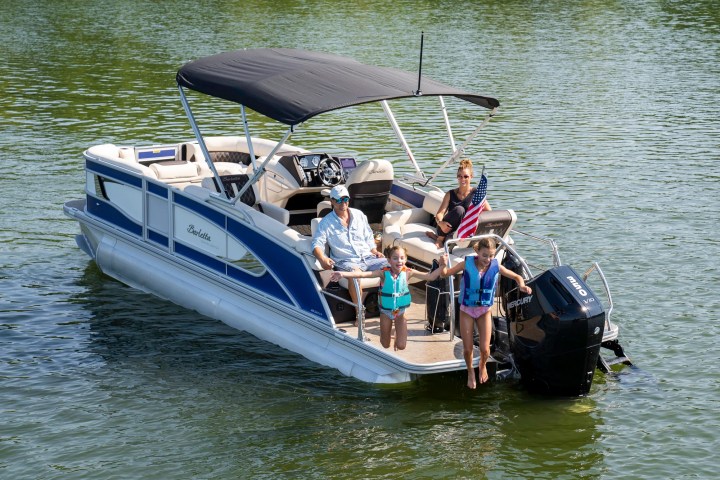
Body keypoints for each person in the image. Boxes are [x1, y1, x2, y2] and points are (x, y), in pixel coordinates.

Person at [441, 237, 532, 389]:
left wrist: (522, 285)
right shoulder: (467, 263)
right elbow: (445, 273)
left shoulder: (496, 266)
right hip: (467, 310)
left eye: (491, 256)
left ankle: (482, 365)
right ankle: (470, 371)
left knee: (485, 349)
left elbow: (516, 276)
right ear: (477, 252)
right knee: (468, 348)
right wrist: (443, 264)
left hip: (484, 311)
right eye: (485, 255)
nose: (488, 259)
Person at [331, 246, 447, 350]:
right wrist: (343, 274)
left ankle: (398, 335)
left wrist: (442, 265)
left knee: (401, 346)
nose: (399, 261)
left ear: (406, 259)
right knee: (385, 344)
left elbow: (430, 276)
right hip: (386, 312)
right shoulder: (383, 273)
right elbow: (362, 274)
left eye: (402, 258)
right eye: (395, 258)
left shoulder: (408, 272)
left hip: (400, 313)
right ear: (389, 261)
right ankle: (389, 336)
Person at [312, 185, 386, 313]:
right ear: (332, 201)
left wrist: (374, 250)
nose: (343, 203)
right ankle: (359, 313)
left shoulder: (359, 215)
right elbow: (316, 245)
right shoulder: (325, 223)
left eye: (345, 199)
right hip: (346, 261)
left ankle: (390, 308)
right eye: (339, 200)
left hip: (368, 257)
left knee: (394, 266)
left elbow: (368, 235)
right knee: (354, 273)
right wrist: (323, 258)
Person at [426, 158, 491, 249]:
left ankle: (435, 236)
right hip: (446, 228)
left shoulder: (476, 194)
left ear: (471, 177)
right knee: (459, 210)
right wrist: (441, 223)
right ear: (457, 177)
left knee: (451, 241)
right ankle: (439, 239)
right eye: (460, 176)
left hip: (462, 230)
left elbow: (489, 212)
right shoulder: (450, 194)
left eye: (466, 176)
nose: (462, 179)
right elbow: (440, 214)